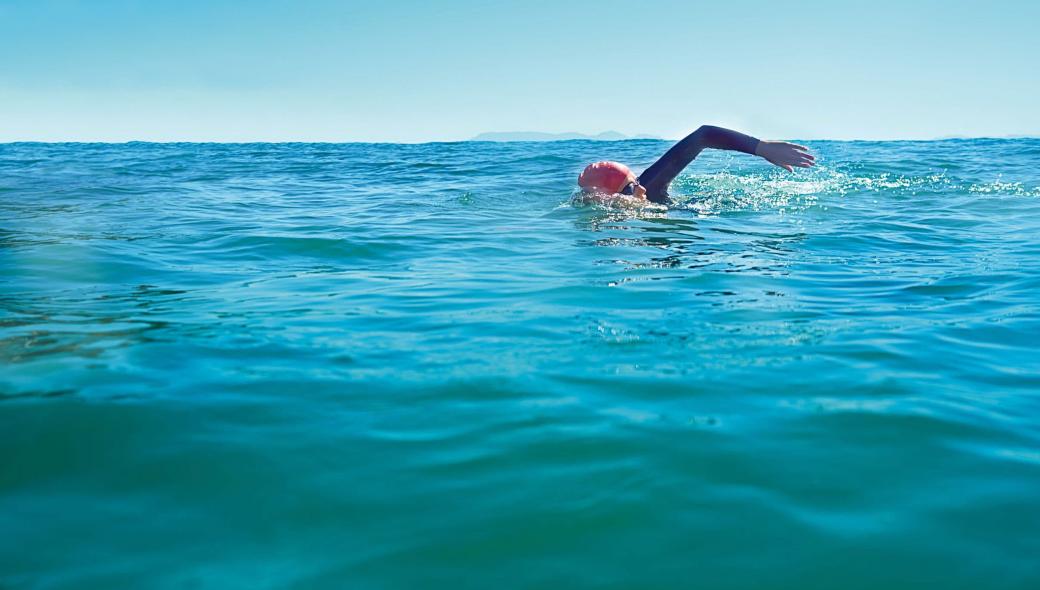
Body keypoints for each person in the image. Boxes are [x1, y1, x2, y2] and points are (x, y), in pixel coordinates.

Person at [577, 125, 815, 205]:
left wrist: (761, 147)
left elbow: (704, 133)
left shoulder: (647, 187)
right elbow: (704, 135)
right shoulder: (646, 185)